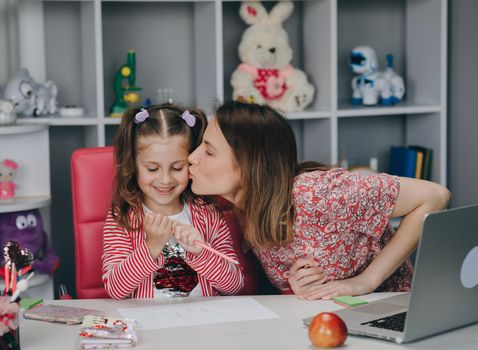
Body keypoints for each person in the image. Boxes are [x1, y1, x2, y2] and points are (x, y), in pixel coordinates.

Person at [187, 101, 450, 300]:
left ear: (248, 165)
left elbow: (435, 196)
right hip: (328, 315)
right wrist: (296, 285)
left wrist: (366, 280)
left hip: (386, 305)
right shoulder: (240, 208)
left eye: (209, 151)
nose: (192, 157)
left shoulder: (316, 193)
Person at [102, 104, 244, 300]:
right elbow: (115, 289)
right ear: (132, 166)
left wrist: (202, 253)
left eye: (177, 168)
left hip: (204, 324)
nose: (166, 180)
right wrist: (150, 248)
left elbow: (235, 285)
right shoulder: (124, 217)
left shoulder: (208, 214)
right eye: (152, 169)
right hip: (148, 325)